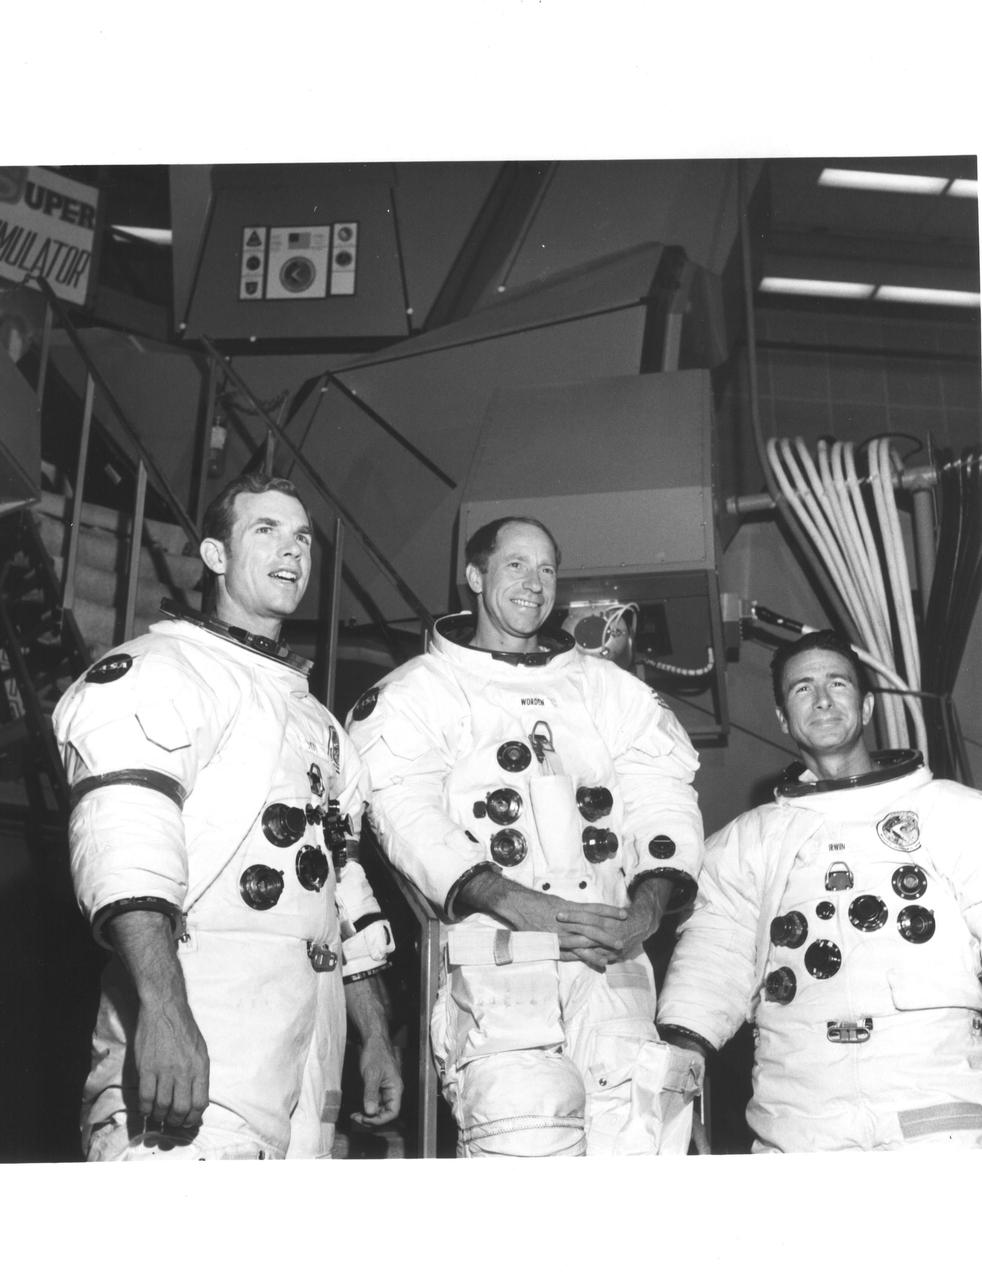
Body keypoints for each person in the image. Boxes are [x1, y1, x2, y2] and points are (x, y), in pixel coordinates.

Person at [53, 473, 402, 1160]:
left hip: (305, 1053)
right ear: (214, 556)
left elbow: (340, 882)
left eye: (302, 536)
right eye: (265, 530)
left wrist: (377, 1038)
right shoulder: (160, 672)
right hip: (201, 1035)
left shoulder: (316, 722)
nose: (292, 550)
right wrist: (163, 1010)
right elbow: (125, 842)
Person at [346, 516, 705, 1156]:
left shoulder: (609, 692)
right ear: (476, 576)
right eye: (515, 565)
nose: (533, 583)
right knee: (524, 1157)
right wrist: (520, 905)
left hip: (610, 961)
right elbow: (407, 814)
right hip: (500, 964)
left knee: (639, 1168)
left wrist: (645, 912)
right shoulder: (419, 693)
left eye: (546, 569)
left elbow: (663, 799)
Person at [657, 628, 982, 1153]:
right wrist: (679, 1059)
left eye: (838, 683)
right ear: (784, 718)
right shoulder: (751, 840)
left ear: (868, 704)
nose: (824, 699)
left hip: (934, 1097)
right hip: (800, 1110)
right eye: (803, 688)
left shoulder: (954, 812)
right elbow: (713, 958)